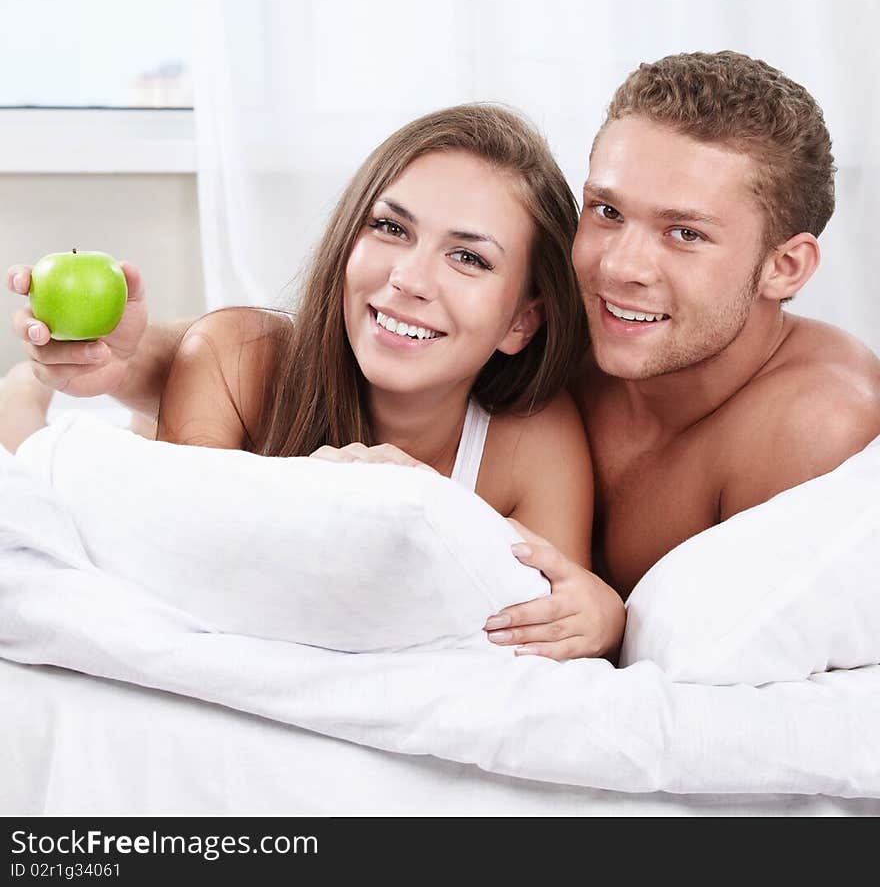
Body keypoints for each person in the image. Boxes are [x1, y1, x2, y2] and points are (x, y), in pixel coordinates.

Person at [9, 51, 880, 645]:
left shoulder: (815, 425)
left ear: (786, 265)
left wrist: (606, 620)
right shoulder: (582, 321)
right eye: (607, 210)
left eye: (684, 233)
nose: (621, 265)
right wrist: (130, 360)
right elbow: (279, 356)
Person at [3, 103, 626, 662]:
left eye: (469, 257)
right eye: (391, 228)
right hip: (142, 417)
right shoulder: (229, 357)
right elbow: (181, 569)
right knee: (28, 452)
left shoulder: (533, 442)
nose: (409, 278)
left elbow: (554, 618)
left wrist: (605, 615)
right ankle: (24, 394)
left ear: (521, 320)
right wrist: (321, 493)